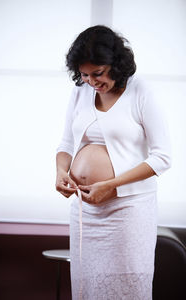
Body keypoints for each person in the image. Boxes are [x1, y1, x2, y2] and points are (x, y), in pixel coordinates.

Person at [55, 25, 171, 300]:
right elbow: (66, 145)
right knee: (87, 287)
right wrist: (61, 171)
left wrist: (112, 185)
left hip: (127, 211)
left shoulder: (141, 91)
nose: (92, 81)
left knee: (126, 289)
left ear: (116, 64)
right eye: (84, 75)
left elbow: (162, 158)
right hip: (86, 212)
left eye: (98, 73)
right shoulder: (80, 92)